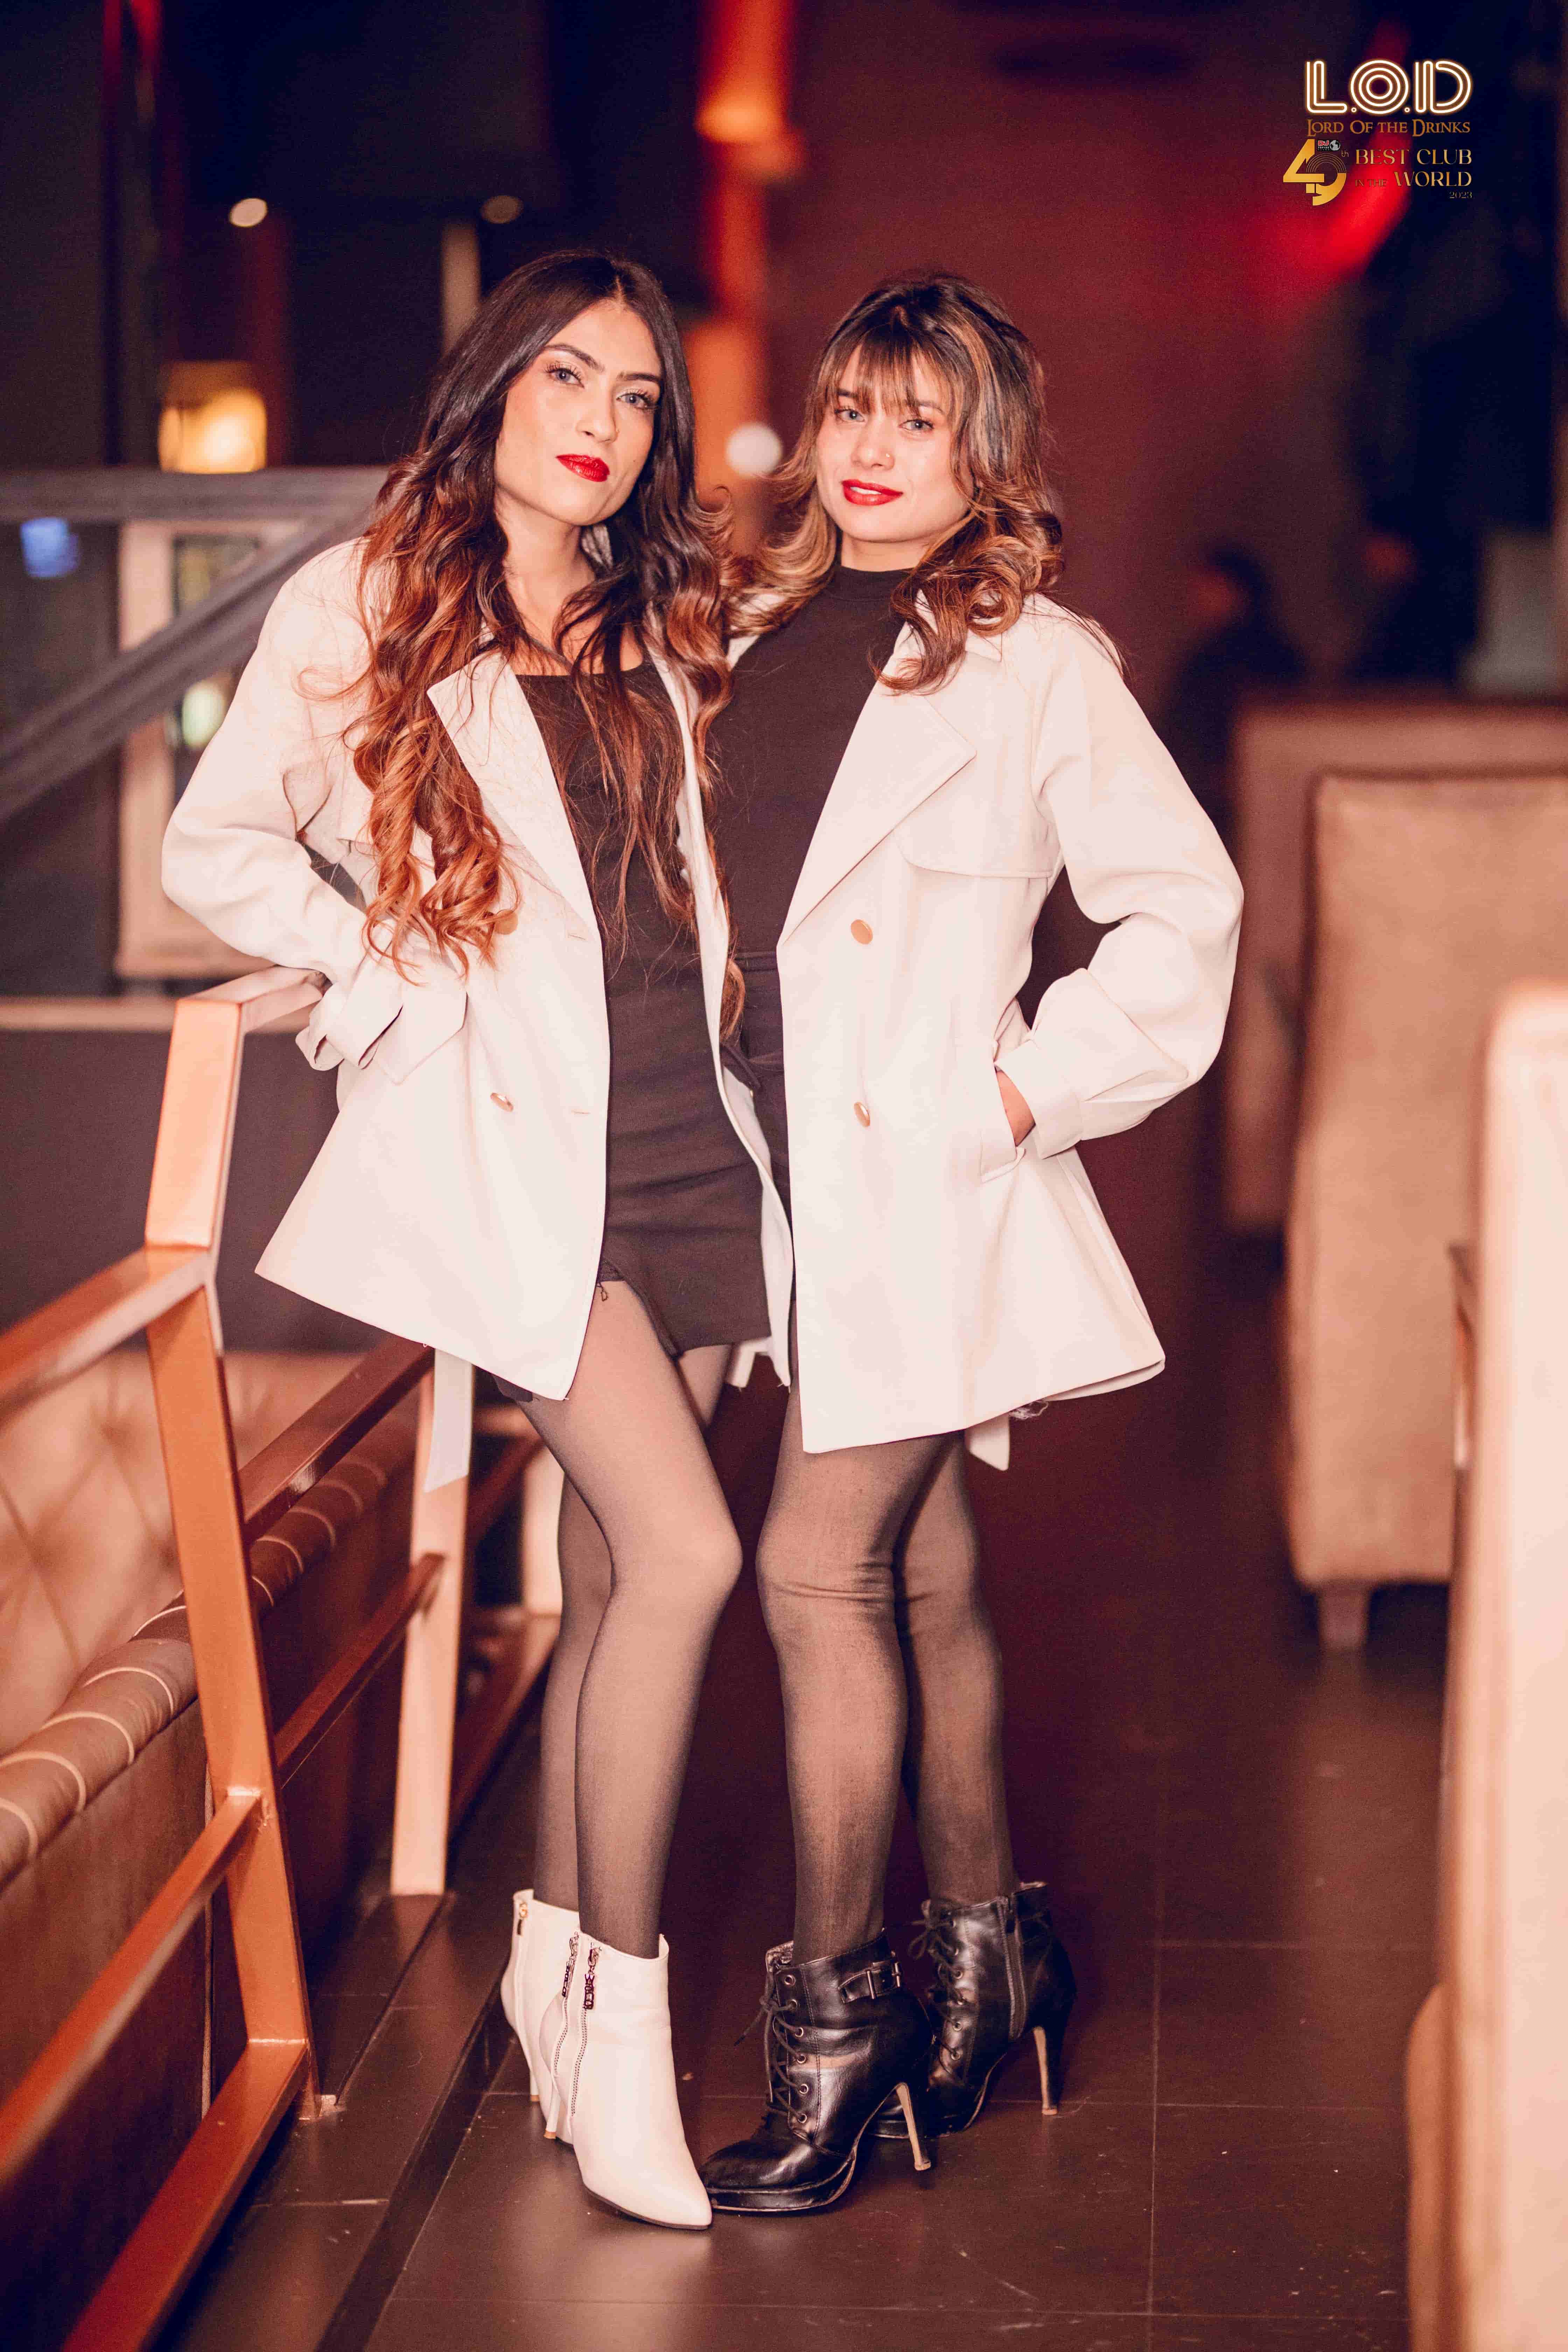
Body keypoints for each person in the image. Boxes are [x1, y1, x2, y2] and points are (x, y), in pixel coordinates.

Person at [160, 250, 777, 2233]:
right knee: (691, 1553)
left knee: (612, 1581)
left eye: (637, 394)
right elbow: (210, 843)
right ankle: (624, 2037)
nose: (603, 422)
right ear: (496, 387)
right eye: (567, 377)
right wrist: (371, 965)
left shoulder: (659, 610)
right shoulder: (370, 600)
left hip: (687, 1139)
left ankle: (553, 1977)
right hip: (525, 1161)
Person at [695, 275, 1244, 2214]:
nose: (869, 449)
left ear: (983, 453)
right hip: (777, 1185)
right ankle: (995, 1966)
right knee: (919, 1577)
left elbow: (1182, 912)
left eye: (917, 421)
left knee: (813, 1568)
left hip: (927, 1186)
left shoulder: (1036, 666)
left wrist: (1017, 1096)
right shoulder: (746, 636)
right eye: (852, 407)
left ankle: (834, 2037)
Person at [1157, 544, 1305, 847]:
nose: (1198, 598)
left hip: (1239, 794)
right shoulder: (1206, 657)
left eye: (1210, 587)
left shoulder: (1262, 657)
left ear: (1237, 590)